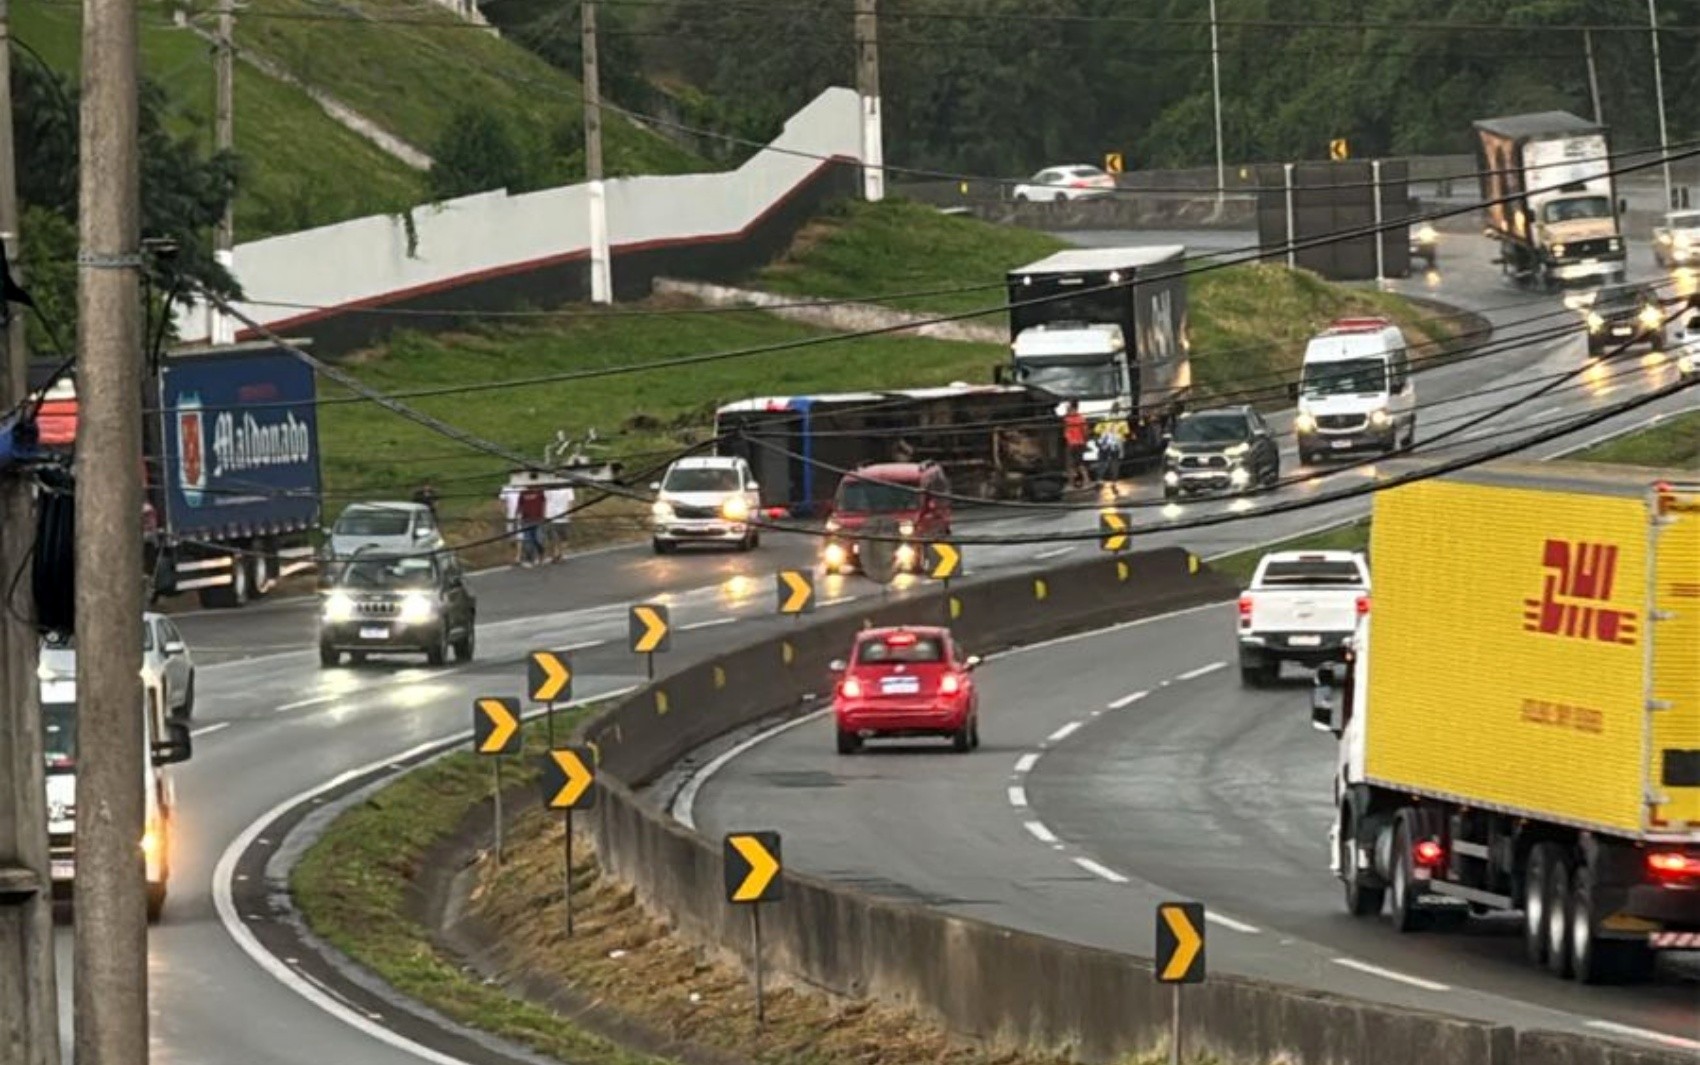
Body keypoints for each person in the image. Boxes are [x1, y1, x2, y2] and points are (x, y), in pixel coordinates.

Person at [516, 481, 547, 567]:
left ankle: (541, 554)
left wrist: (543, 516)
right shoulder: (522, 493)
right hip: (526, 520)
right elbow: (519, 506)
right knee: (528, 540)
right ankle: (530, 559)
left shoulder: (540, 491)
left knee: (538, 539)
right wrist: (518, 517)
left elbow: (544, 503)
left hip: (538, 520)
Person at [544, 479, 575, 563]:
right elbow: (571, 501)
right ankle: (559, 554)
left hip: (555, 516)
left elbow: (570, 501)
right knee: (562, 538)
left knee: (557, 538)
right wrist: (570, 513)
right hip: (558, 516)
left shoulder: (549, 486)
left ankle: (558, 554)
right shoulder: (567, 485)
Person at [1062, 401, 1089, 488]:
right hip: (1079, 442)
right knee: (1079, 462)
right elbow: (1085, 431)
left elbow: (1065, 429)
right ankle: (1086, 480)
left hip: (1071, 443)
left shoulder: (1067, 418)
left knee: (1071, 464)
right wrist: (1085, 441)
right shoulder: (1081, 418)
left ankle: (1072, 483)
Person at [1094, 418, 1127, 485]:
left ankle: (1113, 481)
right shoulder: (1105, 434)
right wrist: (1102, 446)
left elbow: (1120, 444)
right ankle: (1100, 479)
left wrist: (1121, 453)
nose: (1112, 427)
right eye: (1111, 426)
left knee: (1113, 466)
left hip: (1113, 450)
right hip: (1106, 450)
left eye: (1113, 426)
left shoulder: (1117, 436)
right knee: (1104, 465)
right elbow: (1098, 442)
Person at [499, 481, 524, 564]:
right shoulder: (506, 488)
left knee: (519, 537)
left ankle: (518, 557)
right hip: (510, 516)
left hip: (521, 517)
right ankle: (512, 555)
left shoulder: (523, 487)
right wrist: (504, 513)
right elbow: (503, 502)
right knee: (511, 538)